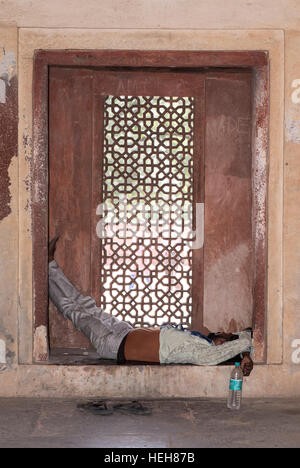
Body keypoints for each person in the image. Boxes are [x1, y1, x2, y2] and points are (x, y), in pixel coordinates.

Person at [48, 237, 254, 376]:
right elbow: (243, 337)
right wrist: (244, 351)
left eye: (225, 337)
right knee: (85, 305)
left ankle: (45, 276)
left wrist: (244, 351)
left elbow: (246, 336)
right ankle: (50, 266)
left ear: (225, 348)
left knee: (74, 311)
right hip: (124, 330)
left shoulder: (203, 353)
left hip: (112, 345)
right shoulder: (199, 341)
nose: (222, 333)